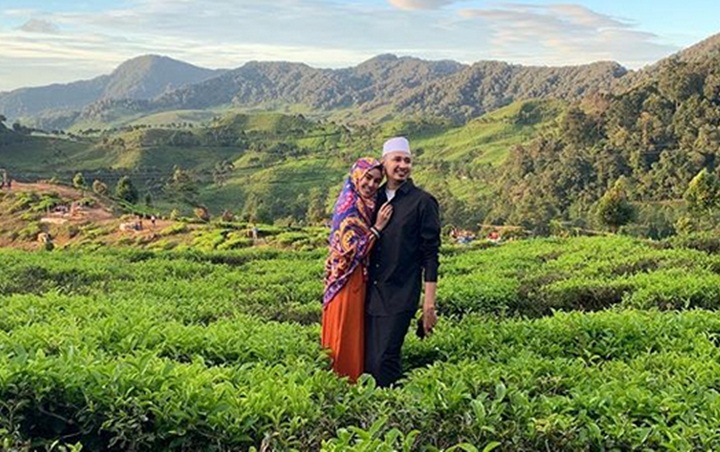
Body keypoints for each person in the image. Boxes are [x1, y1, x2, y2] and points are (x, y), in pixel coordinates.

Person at [365, 136, 441, 388]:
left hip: (400, 293)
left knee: (384, 359)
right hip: (368, 293)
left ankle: (392, 414)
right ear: (384, 163)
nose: (403, 165)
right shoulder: (371, 199)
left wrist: (428, 304)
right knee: (367, 361)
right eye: (397, 159)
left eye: (407, 160)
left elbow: (431, 255)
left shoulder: (423, 202)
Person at [322, 157, 393, 383]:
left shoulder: (366, 204)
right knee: (345, 332)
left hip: (358, 278)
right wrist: (377, 229)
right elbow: (351, 249)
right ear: (356, 177)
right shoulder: (350, 206)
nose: (371, 184)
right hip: (346, 279)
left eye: (376, 180)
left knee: (355, 334)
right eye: (368, 178)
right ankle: (343, 384)